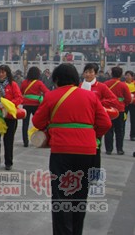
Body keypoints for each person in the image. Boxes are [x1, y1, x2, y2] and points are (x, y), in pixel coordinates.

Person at [32, 63, 111, 235]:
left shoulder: (52, 96)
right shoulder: (90, 96)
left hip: (61, 151)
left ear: (57, 79)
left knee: (61, 196)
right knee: (80, 195)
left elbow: (37, 122)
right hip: (87, 152)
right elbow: (105, 122)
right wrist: (90, 136)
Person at [103, 67, 131, 155]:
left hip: (108, 110)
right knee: (120, 130)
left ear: (112, 74)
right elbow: (128, 98)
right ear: (121, 75)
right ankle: (119, 149)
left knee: (108, 130)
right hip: (120, 110)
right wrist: (124, 103)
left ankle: (108, 149)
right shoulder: (123, 85)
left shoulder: (105, 84)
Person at [20, 67, 49, 147]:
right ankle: (40, 140)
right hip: (36, 105)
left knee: (25, 124)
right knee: (39, 122)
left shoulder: (24, 82)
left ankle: (25, 142)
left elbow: (20, 92)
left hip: (26, 105)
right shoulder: (39, 83)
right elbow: (46, 92)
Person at [125, 71, 135, 141]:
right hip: (125, 103)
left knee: (133, 120)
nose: (127, 77)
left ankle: (133, 135)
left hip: (133, 104)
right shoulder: (122, 84)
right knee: (123, 119)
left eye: (129, 75)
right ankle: (121, 133)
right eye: (126, 75)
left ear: (132, 77)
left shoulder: (134, 84)